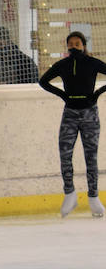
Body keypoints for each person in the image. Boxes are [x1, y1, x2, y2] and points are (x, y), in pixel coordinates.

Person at [38, 32, 106, 218]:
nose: (74, 47)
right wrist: (63, 95)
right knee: (65, 154)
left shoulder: (92, 63)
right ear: (67, 46)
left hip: (90, 113)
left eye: (77, 44)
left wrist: (97, 93)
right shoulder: (63, 65)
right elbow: (43, 81)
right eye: (71, 44)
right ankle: (69, 193)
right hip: (69, 114)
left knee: (90, 157)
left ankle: (93, 197)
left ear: (84, 45)